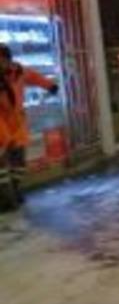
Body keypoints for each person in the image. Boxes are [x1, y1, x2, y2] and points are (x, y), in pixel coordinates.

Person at [0, 43, 58, 211]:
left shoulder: (20, 72)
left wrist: (50, 86)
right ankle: (5, 198)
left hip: (17, 121)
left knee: (18, 161)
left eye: (2, 60)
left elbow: (35, 77)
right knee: (2, 163)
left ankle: (15, 192)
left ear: (8, 60)